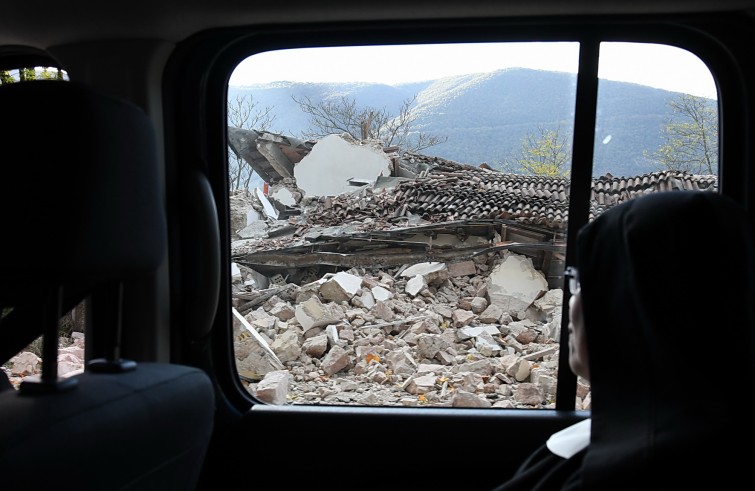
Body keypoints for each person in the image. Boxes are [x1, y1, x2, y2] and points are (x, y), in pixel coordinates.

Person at [492, 190, 755, 490]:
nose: (571, 300)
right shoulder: (696, 440)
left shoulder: (624, 470)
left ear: (636, 303)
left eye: (583, 281)